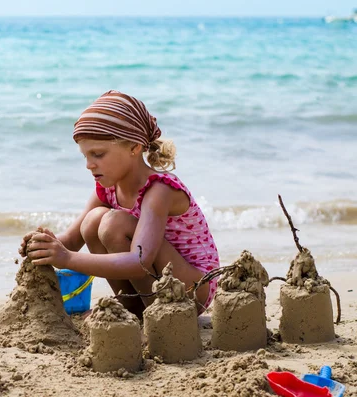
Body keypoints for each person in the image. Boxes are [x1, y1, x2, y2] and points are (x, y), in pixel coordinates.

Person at [20, 90, 219, 318]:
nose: (89, 165)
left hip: (192, 289)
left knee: (114, 223)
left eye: (98, 154)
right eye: (85, 156)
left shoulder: (159, 190)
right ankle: (135, 310)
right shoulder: (108, 187)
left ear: (134, 148)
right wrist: (44, 245)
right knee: (92, 220)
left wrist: (66, 258)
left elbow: (138, 262)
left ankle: (160, 314)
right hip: (156, 284)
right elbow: (72, 241)